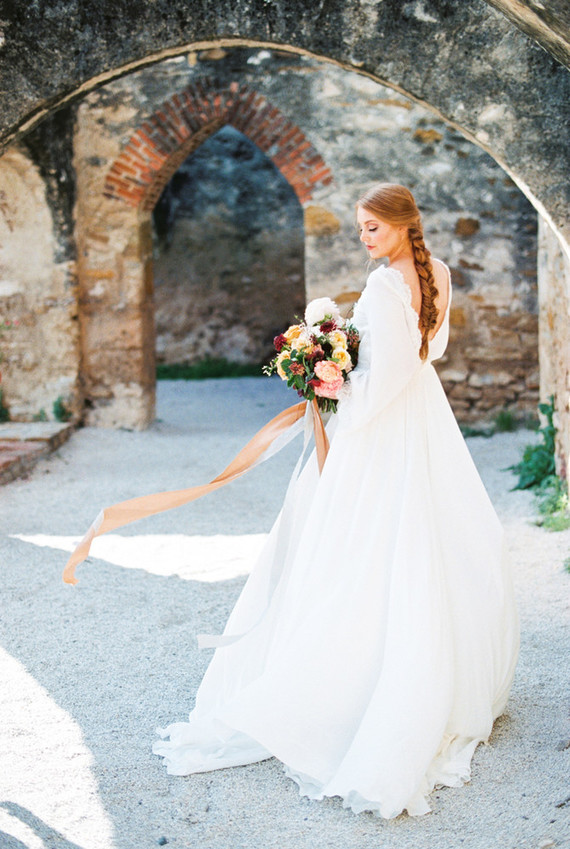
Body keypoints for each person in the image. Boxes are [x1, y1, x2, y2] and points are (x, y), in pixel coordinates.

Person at [152, 183, 519, 818]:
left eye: (373, 227)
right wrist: (340, 359)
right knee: (426, 534)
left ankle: (364, 688)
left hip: (386, 426)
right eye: (360, 229)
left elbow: (389, 378)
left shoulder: (384, 285)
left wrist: (336, 384)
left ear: (404, 225)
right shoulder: (440, 272)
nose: (366, 238)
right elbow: (434, 353)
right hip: (426, 419)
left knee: (364, 539)